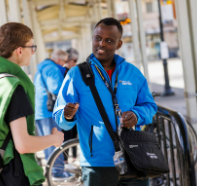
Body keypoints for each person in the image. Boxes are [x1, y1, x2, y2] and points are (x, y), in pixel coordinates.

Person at [53, 17, 157, 186]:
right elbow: (62, 122)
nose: (101, 44)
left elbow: (150, 106)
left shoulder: (132, 73)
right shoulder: (76, 75)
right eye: (98, 38)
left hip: (134, 158)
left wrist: (137, 115)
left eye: (109, 40)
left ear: (119, 44)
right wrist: (67, 115)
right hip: (97, 165)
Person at [0, 22, 64, 186]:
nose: (32, 52)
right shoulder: (13, 87)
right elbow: (23, 145)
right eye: (32, 47)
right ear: (19, 50)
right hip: (14, 174)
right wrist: (54, 139)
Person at [34, 49, 71, 178]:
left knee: (47, 142)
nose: (65, 64)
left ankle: (54, 170)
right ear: (59, 60)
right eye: (65, 61)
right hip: (49, 110)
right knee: (55, 141)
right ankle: (57, 172)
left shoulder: (42, 68)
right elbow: (55, 87)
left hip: (40, 111)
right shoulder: (53, 69)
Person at [62, 48, 79, 164]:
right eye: (75, 60)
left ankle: (72, 158)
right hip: (67, 108)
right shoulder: (66, 72)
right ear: (70, 60)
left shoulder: (64, 71)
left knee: (72, 134)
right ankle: (66, 161)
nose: (76, 63)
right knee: (68, 135)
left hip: (72, 108)